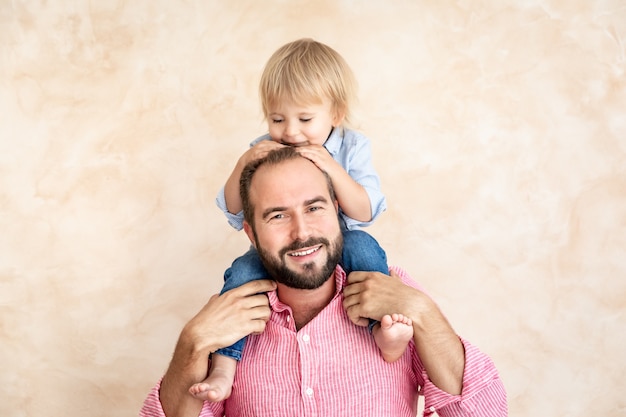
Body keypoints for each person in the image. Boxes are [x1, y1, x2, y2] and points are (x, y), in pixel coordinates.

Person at [140, 147, 508, 417]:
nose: (302, 232)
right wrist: (191, 343)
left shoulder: (395, 297)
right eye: (278, 215)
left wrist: (421, 310)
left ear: (337, 211)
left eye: (314, 208)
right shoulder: (229, 315)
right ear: (250, 234)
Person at [191, 38, 412, 402]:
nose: (290, 133)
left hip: (341, 240)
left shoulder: (351, 146)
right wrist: (243, 163)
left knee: (368, 252)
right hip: (283, 251)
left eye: (305, 119)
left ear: (335, 115)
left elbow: (366, 211)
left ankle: (382, 331)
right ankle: (225, 366)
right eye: (278, 119)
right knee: (241, 273)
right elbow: (232, 209)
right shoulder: (264, 147)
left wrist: (330, 166)